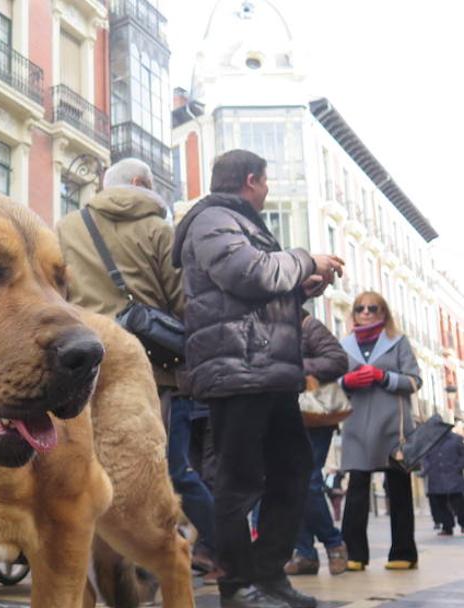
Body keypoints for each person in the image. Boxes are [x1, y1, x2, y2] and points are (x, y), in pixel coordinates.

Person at [173, 149, 344, 608]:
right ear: (251, 179)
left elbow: (256, 293)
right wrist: (305, 260)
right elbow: (248, 274)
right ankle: (237, 585)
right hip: (237, 373)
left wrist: (298, 288)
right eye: (266, 182)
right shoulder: (213, 220)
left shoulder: (241, 224)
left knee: (292, 473)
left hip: (266, 370)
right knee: (239, 482)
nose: (268, 191)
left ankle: (269, 577)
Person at [55, 157, 219, 581]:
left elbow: (56, 291)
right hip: (152, 367)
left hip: (86, 361)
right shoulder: (159, 230)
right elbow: (182, 301)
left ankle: (120, 559)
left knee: (96, 462)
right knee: (168, 466)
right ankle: (225, 550)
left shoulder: (68, 227)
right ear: (143, 184)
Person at [339, 291, 421, 572]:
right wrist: (347, 381)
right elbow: (336, 382)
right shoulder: (344, 344)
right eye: (360, 308)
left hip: (392, 427)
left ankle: (404, 552)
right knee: (357, 489)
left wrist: (384, 377)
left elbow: (414, 381)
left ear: (383, 313)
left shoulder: (398, 342)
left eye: (373, 308)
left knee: (398, 489)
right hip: (356, 426)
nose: (366, 313)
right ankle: (355, 554)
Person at [283, 312, 349, 576]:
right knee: (289, 484)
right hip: (283, 415)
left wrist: (298, 366)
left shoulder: (307, 324)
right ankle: (305, 553)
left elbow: (337, 360)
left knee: (307, 481)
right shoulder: (265, 327)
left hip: (315, 415)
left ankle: (334, 543)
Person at [421, 430, 464, 536]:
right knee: (439, 505)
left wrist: (458, 467)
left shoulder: (456, 439)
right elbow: (424, 458)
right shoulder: (429, 442)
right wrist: (426, 470)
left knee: (459, 503)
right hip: (436, 478)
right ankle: (447, 527)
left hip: (453, 477)